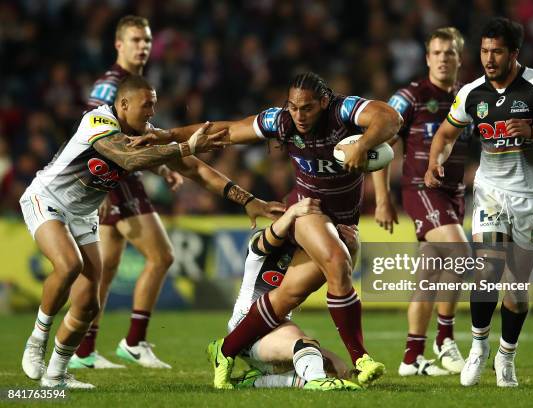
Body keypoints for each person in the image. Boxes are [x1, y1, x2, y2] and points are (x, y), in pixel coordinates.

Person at [133, 72, 403, 388]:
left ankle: (226, 349)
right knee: (337, 260)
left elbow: (390, 118)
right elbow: (227, 130)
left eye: (307, 108)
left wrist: (365, 144)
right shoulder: (280, 122)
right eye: (293, 107)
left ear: (324, 102)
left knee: (290, 294)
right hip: (307, 209)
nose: (299, 116)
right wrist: (167, 136)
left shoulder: (344, 111)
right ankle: (362, 358)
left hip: (343, 221)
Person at [20, 75, 282, 388]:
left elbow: (196, 168)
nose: (151, 112)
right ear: (123, 104)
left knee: (88, 303)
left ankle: (56, 375)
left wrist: (247, 200)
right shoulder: (99, 121)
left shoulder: (145, 134)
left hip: (83, 213)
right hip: (47, 199)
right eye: (147, 105)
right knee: (69, 264)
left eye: (154, 105)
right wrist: (184, 146)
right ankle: (36, 342)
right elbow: (127, 157)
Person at [424, 17, 533, 387]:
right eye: (483, 51)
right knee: (487, 270)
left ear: (514, 53)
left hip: (530, 196)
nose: (489, 59)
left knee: (516, 287)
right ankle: (478, 347)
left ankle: (506, 357)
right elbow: (446, 133)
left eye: (497, 52)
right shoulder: (471, 93)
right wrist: (436, 161)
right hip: (491, 191)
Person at [71, 15, 181, 370]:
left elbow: (133, 139)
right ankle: (134, 342)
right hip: (114, 181)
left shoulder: (133, 83)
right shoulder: (109, 86)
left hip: (120, 175)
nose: (143, 46)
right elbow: (93, 136)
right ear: (119, 44)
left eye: (147, 40)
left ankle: (82, 350)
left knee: (104, 268)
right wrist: (99, 189)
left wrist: (161, 167)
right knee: (162, 256)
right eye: (135, 40)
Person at [373, 27, 469, 377]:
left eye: (450, 53)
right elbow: (379, 145)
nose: (444, 58)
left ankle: (412, 356)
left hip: (455, 194)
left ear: (460, 58)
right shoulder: (410, 96)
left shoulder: (468, 97)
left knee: (428, 276)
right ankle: (445, 338)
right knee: (462, 253)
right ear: (427, 58)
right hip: (420, 189)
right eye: (437, 52)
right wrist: (383, 199)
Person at [228, 198, 361, 391]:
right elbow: (269, 239)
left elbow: (338, 277)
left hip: (277, 327)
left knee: (338, 370)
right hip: (246, 324)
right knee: (306, 347)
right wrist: (292, 212)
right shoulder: (260, 240)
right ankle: (316, 383)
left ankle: (258, 381)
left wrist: (352, 249)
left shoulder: (306, 251)